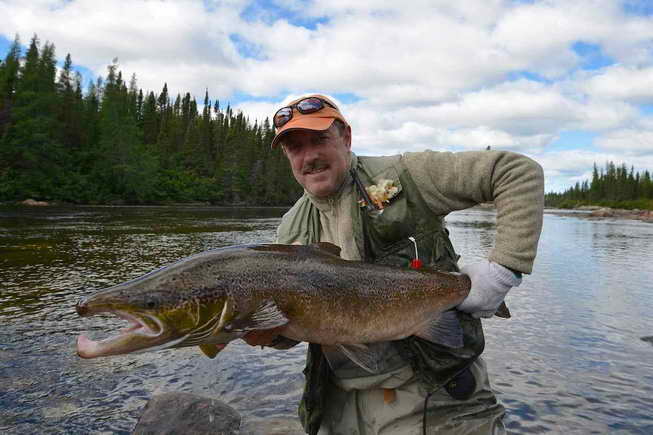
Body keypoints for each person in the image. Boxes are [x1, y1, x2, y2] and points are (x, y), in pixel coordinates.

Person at [247, 94, 544, 435]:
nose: (309, 156)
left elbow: (517, 172)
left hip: (432, 396)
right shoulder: (291, 228)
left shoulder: (407, 176)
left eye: (319, 139)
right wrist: (267, 334)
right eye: (295, 147)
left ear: (346, 137)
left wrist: (505, 268)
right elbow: (298, 325)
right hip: (338, 405)